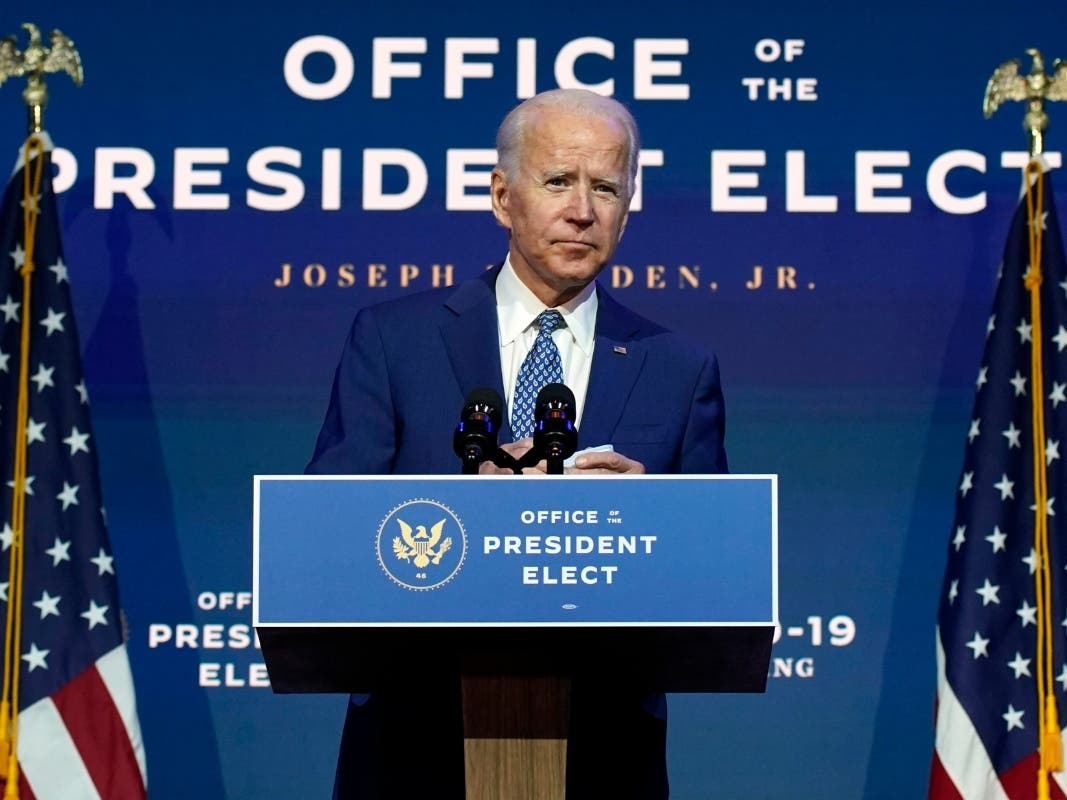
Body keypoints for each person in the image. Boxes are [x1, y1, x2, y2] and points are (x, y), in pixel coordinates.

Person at [307, 88, 728, 799]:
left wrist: (651, 519)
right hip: (413, 742)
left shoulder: (679, 367)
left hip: (603, 752)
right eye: (558, 181)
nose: (582, 210)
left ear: (627, 208)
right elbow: (327, 534)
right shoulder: (393, 339)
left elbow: (718, 578)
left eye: (606, 187)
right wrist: (466, 509)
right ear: (502, 197)